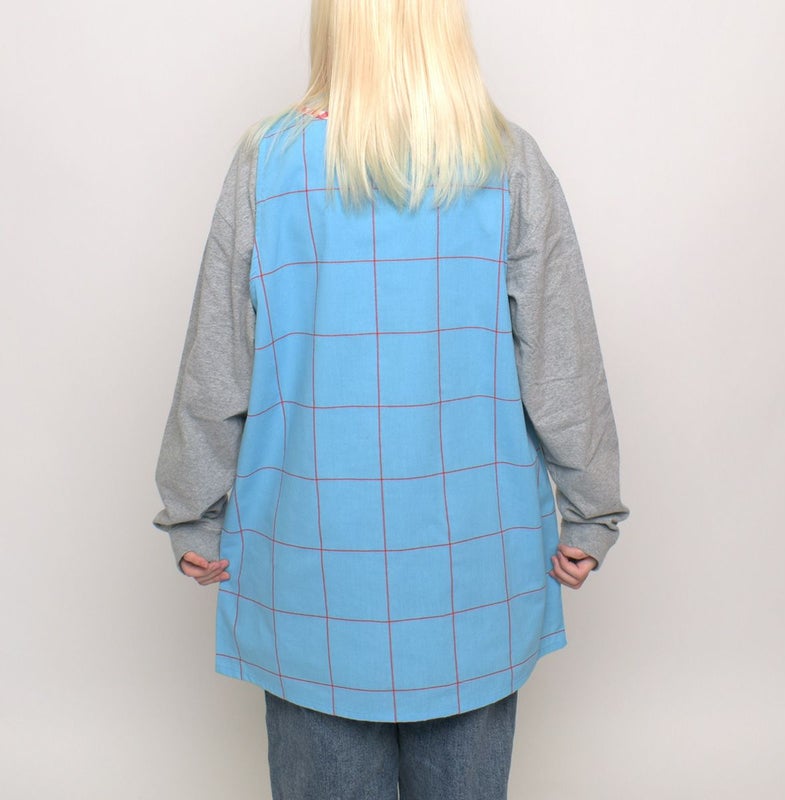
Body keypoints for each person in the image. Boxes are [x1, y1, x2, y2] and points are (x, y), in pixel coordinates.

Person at [153, 1, 629, 797]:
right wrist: (591, 510)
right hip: (473, 571)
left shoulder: (268, 163)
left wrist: (192, 510)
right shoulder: (508, 162)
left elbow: (217, 360)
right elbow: (562, 361)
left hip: (311, 566)